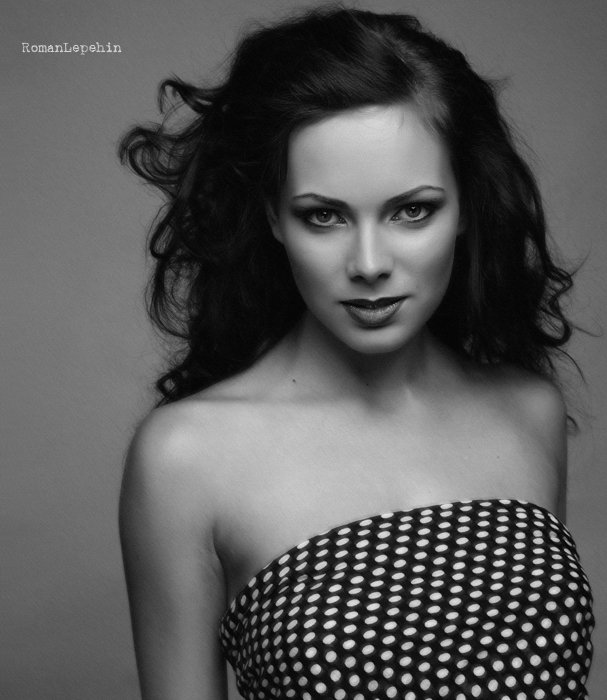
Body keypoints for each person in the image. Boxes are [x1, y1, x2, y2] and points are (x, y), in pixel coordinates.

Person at [118, 7, 594, 699]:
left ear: (466, 204)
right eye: (324, 215)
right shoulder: (186, 459)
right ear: (273, 216)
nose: (368, 263)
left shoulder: (528, 411)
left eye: (412, 210)